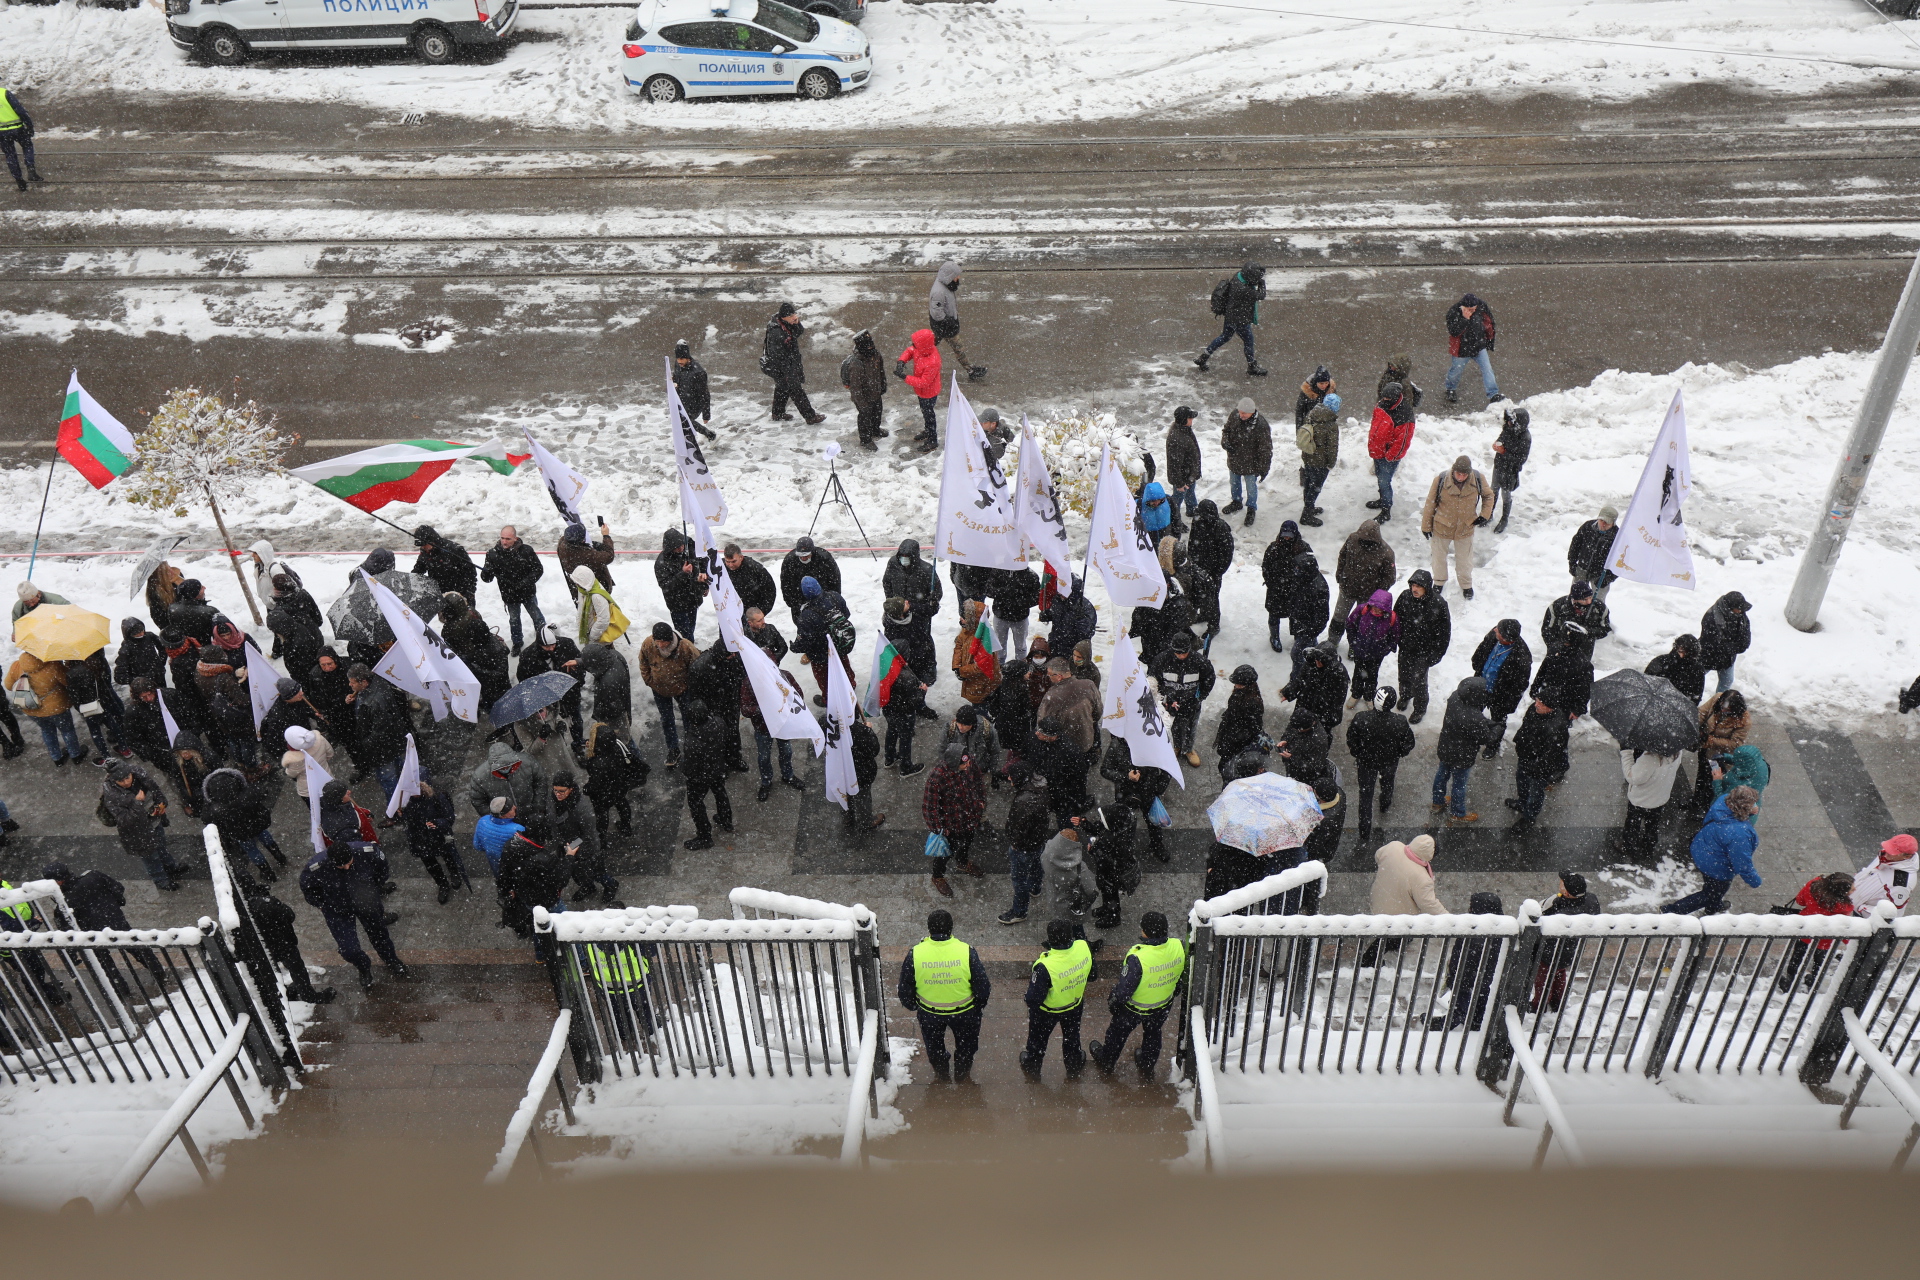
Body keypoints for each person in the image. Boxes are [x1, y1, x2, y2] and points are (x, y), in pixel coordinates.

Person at [300, 838, 410, 992]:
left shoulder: (367, 852)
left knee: (379, 935)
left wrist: (373, 890)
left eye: (349, 863)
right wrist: (322, 905)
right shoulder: (317, 867)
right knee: (348, 949)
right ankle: (363, 967)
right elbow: (308, 888)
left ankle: (391, 960)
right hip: (337, 908)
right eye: (340, 865)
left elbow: (382, 870)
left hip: (366, 902)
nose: (346, 868)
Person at [1089, 912, 1187, 1081]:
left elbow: (1124, 990)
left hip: (1133, 1009)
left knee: (1117, 1034)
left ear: (1145, 932)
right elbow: (1182, 974)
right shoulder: (1179, 945)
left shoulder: (1138, 956)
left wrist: (1114, 1002)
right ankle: (1147, 1063)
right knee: (1153, 1033)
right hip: (1163, 1005)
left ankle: (1107, 1060)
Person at [898, 908, 991, 1084]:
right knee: (966, 1048)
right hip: (965, 1013)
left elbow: (905, 988)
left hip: (929, 1013)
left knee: (935, 1048)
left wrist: (914, 1005)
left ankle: (942, 1075)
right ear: (951, 928)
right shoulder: (966, 951)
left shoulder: (915, 953)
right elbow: (983, 986)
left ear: (929, 928)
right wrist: (978, 1005)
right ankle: (962, 1075)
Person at [1664, 786, 1762, 914]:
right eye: (1752, 804)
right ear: (1744, 808)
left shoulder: (1722, 802)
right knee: (1711, 893)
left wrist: (1747, 810)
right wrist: (1754, 880)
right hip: (1717, 867)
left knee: (1713, 889)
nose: (1756, 806)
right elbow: (1741, 862)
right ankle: (1671, 911)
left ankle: (1713, 906)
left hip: (1703, 849)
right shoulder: (1739, 833)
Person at [1022, 920, 1094, 1079]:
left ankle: (1033, 1066)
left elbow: (1034, 1000)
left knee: (1038, 1041)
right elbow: (1093, 975)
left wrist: (1027, 997)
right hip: (1074, 1005)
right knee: (1072, 1037)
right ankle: (1074, 1064)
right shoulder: (1084, 946)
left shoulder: (1045, 965)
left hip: (1047, 1012)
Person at [100, 758, 184, 890]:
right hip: (138, 832)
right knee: (150, 857)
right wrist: (137, 803)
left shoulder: (139, 774)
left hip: (155, 821)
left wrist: (162, 803)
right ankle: (161, 880)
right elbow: (124, 820)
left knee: (161, 846)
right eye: (121, 781)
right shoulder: (111, 794)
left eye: (127, 777)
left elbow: (155, 789)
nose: (126, 782)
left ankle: (171, 867)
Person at [1346, 688, 1415, 846]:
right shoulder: (1400, 721)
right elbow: (1408, 743)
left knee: (1365, 796)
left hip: (1366, 763)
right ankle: (1385, 804)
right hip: (1389, 762)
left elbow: (1352, 740)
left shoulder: (1361, 718)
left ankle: (1364, 831)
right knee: (1387, 783)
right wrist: (1398, 753)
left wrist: (1359, 753)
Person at [1420, 455, 1494, 600]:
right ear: (1453, 470)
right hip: (1442, 526)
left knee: (1465, 560)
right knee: (1438, 558)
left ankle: (1466, 584)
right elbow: (1430, 502)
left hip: (1465, 527)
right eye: (1458, 474)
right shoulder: (1441, 479)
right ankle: (1439, 581)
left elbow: (1489, 496)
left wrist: (1484, 515)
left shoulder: (1478, 478)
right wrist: (1426, 526)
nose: (1461, 477)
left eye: (1464, 474)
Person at [922, 744, 986, 896]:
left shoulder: (969, 763)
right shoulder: (937, 777)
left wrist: (981, 801)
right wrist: (939, 829)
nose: (968, 765)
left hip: (970, 817)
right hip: (950, 824)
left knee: (967, 842)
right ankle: (937, 876)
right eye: (964, 764)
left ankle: (963, 863)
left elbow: (978, 781)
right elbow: (930, 807)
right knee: (944, 853)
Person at [1432, 677, 1496, 826]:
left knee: (1441, 775)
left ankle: (1437, 802)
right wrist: (1496, 728)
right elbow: (1486, 738)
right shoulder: (1474, 717)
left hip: (1446, 747)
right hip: (1462, 756)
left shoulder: (1455, 697)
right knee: (1459, 784)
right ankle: (1458, 813)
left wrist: (1484, 722)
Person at [1533, 871, 1600, 1011]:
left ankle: (1539, 1004)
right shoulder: (1590, 900)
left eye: (1562, 883)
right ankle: (1557, 1002)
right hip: (1569, 950)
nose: (1560, 883)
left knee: (1543, 979)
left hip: (1549, 951)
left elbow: (1542, 925)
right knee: (1559, 972)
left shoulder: (1563, 915)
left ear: (1568, 893)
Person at [1147, 630, 1214, 768]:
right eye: (1178, 653)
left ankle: (1188, 749)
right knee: (1173, 726)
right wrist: (1166, 696)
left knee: (1191, 726)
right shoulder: (1161, 660)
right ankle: (1176, 746)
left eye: (1184, 652)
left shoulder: (1199, 661)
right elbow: (1154, 679)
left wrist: (1200, 697)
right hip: (1169, 701)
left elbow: (1209, 678)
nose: (1181, 656)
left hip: (1191, 701)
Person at [6, 648, 85, 765]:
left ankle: (57, 758)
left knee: (47, 731)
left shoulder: (16, 665)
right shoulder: (52, 665)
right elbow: (68, 682)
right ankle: (76, 755)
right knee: (67, 731)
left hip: (32, 708)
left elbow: (8, 686)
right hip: (57, 708)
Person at [347, 664, 414, 800]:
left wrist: (365, 745)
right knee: (401, 768)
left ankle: (396, 807)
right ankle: (410, 792)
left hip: (383, 749)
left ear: (364, 682)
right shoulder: (375, 685)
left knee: (387, 779)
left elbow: (380, 731)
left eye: (353, 682)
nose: (350, 685)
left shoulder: (375, 702)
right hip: (393, 743)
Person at [638, 622, 699, 768]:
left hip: (682, 690)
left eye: (663, 641)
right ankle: (673, 749)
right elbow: (643, 662)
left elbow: (697, 666)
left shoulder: (685, 647)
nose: (660, 645)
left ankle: (690, 748)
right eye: (657, 641)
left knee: (688, 719)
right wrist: (649, 681)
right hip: (659, 690)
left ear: (670, 639)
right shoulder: (648, 644)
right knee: (667, 719)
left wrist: (689, 686)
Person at [1393, 569, 1450, 725]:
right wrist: (1394, 640)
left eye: (1419, 586)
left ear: (1427, 587)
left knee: (1419, 682)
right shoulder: (1405, 597)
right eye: (1413, 585)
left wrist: (1436, 654)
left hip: (1424, 652)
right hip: (1406, 647)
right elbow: (1395, 620)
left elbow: (1444, 633)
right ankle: (1405, 696)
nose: (1414, 589)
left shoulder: (1438, 604)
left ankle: (1420, 708)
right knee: (1404, 675)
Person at [1469, 619, 1533, 757]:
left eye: (1498, 630)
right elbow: (1481, 650)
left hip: (1500, 695)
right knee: (1474, 714)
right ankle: (1474, 738)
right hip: (1481, 686)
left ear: (1505, 638)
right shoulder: (1493, 635)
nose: (1494, 630)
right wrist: (1477, 664)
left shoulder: (1521, 656)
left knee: (1498, 722)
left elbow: (1520, 685)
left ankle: (1492, 745)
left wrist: (1508, 704)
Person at [1327, 518, 1395, 646]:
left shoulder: (1386, 553)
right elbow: (1343, 556)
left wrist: (1376, 595)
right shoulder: (1353, 539)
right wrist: (1340, 575)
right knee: (1339, 618)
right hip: (1348, 589)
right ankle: (1332, 642)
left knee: (1362, 623)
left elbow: (1389, 578)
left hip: (1367, 596)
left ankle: (1355, 646)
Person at [480, 525, 545, 656]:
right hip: (509, 595)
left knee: (536, 616)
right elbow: (486, 579)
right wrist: (487, 570)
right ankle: (517, 642)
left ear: (515, 538)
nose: (504, 542)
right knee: (514, 620)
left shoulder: (526, 551)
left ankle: (544, 637)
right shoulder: (493, 554)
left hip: (527, 592)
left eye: (508, 539)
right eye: (502, 538)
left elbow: (538, 569)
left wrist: (525, 582)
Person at [1194, 261, 1268, 376]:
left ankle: (1203, 357)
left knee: (1224, 337)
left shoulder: (1238, 277)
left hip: (1230, 315)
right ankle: (1252, 366)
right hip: (1240, 319)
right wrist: (1262, 284)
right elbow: (1261, 295)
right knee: (1249, 341)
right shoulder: (1244, 290)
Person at [398, 778, 466, 904]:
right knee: (430, 864)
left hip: (439, 835)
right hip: (420, 839)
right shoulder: (404, 802)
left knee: (448, 854)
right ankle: (442, 884)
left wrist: (437, 823)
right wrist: (402, 815)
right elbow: (408, 822)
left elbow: (449, 817)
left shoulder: (436, 797)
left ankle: (454, 873)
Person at [679, 698, 733, 851]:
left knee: (696, 803)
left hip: (701, 776)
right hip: (717, 767)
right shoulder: (719, 722)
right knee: (720, 791)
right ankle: (725, 819)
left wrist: (688, 774)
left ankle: (704, 836)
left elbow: (690, 765)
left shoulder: (693, 740)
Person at [582, 719, 647, 840]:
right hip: (619, 787)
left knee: (602, 815)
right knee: (622, 804)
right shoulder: (617, 747)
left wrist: (587, 789)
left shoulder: (597, 762)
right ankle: (626, 827)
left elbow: (595, 783)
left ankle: (602, 839)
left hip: (603, 795)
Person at [1507, 699, 1569, 827]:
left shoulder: (1557, 726)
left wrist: (1537, 768)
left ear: (1550, 708)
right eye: (1537, 701)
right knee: (1521, 781)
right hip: (1525, 756)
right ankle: (1522, 802)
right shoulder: (1534, 710)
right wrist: (1520, 742)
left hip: (1539, 766)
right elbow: (1525, 726)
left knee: (1536, 792)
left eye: (1541, 703)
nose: (1536, 704)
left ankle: (1529, 817)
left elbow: (1553, 754)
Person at [763, 301, 824, 424]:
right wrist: (788, 371)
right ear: (784, 317)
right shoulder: (777, 332)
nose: (794, 317)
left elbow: (798, 332)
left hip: (788, 363)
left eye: (794, 314)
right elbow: (777, 355)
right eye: (791, 316)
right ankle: (810, 417)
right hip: (782, 366)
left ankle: (777, 413)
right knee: (796, 390)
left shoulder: (785, 324)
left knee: (782, 387)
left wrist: (796, 323)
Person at [1366, 382, 1417, 522]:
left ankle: (1386, 510)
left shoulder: (1404, 414)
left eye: (1388, 399)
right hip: (1378, 452)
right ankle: (1382, 500)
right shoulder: (1382, 404)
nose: (1384, 400)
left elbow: (1403, 441)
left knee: (1384, 481)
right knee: (1380, 478)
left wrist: (1390, 457)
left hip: (1388, 457)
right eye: (1384, 398)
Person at [927, 258, 985, 381]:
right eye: (956, 276)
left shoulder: (946, 284)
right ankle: (971, 370)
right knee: (958, 348)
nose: (958, 278)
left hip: (943, 326)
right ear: (949, 276)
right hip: (944, 326)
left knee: (927, 345)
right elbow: (937, 312)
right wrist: (949, 321)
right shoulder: (939, 291)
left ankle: (907, 359)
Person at [1342, 589, 1400, 709]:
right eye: (1374, 606)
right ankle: (1356, 694)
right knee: (1358, 673)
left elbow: (1395, 637)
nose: (1376, 609)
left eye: (1379, 608)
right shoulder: (1362, 610)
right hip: (1360, 650)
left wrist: (1385, 650)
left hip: (1376, 654)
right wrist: (1354, 643)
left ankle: (1369, 696)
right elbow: (1350, 624)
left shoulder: (1391, 618)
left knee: (1372, 675)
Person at [1694, 690, 1750, 810]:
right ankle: (1696, 800)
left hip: (1718, 757)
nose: (1723, 710)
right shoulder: (1717, 699)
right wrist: (1696, 727)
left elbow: (1735, 744)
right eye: (1722, 707)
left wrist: (1710, 740)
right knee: (1701, 775)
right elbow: (1702, 713)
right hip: (1704, 749)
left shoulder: (1743, 721)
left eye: (1728, 709)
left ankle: (1705, 807)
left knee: (1712, 781)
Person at [1220, 398, 1272, 528]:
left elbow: (1266, 449)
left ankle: (1251, 508)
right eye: (1240, 412)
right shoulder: (1234, 415)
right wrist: (1225, 441)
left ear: (1252, 412)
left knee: (1251, 488)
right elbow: (1226, 430)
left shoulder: (1261, 425)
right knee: (1234, 483)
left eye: (1245, 413)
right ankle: (1236, 502)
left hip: (1251, 464)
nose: (1241, 415)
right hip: (1235, 460)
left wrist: (1264, 468)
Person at [1443, 292, 1501, 405]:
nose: (1473, 311)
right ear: (1463, 307)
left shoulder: (1481, 306)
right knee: (1456, 370)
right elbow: (1454, 332)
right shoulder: (1453, 312)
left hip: (1479, 346)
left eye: (1474, 309)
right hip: (1462, 349)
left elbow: (1489, 322)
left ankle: (1493, 393)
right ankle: (1450, 389)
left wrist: (1489, 340)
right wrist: (1465, 319)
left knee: (1487, 369)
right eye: (1470, 309)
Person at [1259, 521, 1307, 652]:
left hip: (1295, 590)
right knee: (1274, 613)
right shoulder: (1273, 548)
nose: (1286, 538)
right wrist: (1271, 581)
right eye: (1284, 535)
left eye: (1289, 535)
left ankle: (1298, 636)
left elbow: (1310, 567)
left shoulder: (1303, 549)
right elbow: (1266, 566)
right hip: (1276, 589)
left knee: (1296, 614)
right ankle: (1274, 636)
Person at [1031, 716, 1091, 819]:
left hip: (1062, 796)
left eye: (1041, 732)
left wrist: (1076, 802)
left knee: (1064, 820)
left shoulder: (1070, 752)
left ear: (1053, 737)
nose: (1037, 733)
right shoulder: (1040, 741)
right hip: (1050, 791)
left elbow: (1079, 779)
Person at [1213, 665, 1266, 780]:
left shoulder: (1253, 703)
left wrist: (1236, 737)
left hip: (1236, 743)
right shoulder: (1241, 694)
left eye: (1239, 684)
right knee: (1225, 767)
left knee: (1229, 770)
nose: (1236, 686)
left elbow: (1254, 727)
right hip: (1231, 737)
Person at [654, 529, 708, 641]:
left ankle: (689, 647)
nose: (681, 548)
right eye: (677, 546)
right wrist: (683, 573)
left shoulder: (690, 551)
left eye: (682, 545)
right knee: (685, 635)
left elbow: (702, 565)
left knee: (691, 628)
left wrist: (704, 585)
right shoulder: (662, 562)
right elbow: (666, 586)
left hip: (693, 598)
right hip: (677, 604)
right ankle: (688, 652)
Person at [1371, 833, 1445, 913]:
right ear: (1430, 856)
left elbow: (1378, 856)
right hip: (1396, 917)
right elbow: (1429, 905)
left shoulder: (1394, 846)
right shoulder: (1422, 878)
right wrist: (1449, 920)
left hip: (1377, 901)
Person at [895, 327, 942, 448]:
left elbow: (924, 382)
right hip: (922, 392)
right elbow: (910, 351)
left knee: (929, 415)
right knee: (925, 412)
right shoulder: (922, 349)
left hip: (929, 393)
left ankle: (932, 440)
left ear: (922, 345)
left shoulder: (932, 361)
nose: (913, 345)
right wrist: (901, 361)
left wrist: (905, 377)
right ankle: (928, 431)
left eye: (915, 343)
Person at [1541, 581, 1612, 661]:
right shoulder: (1557, 607)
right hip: (1559, 650)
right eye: (1585, 599)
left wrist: (1587, 632)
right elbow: (1547, 630)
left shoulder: (1599, 608)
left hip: (1584, 651)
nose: (1589, 602)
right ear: (1574, 599)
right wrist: (1557, 646)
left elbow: (1605, 628)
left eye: (1590, 597)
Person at [779, 536, 841, 626]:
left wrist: (833, 598)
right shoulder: (789, 561)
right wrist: (792, 603)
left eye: (806, 556)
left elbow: (834, 580)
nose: (803, 558)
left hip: (822, 598)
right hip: (799, 599)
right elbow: (785, 583)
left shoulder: (824, 558)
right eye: (801, 556)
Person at [1698, 591, 1752, 694]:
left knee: (1727, 681)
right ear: (1730, 607)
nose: (1741, 611)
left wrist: (1730, 648)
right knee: (1695, 678)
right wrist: (1732, 647)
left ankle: (1717, 704)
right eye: (1738, 608)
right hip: (1707, 656)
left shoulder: (1742, 617)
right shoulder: (1711, 617)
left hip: (1727, 659)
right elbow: (1712, 643)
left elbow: (1745, 642)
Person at [1297, 397, 1339, 527]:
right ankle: (1307, 515)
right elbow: (1332, 447)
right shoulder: (1331, 425)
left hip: (1308, 456)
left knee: (1309, 483)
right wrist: (1331, 464)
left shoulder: (1312, 415)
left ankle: (1309, 507)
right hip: (1320, 462)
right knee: (1315, 488)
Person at [410, 524, 478, 604]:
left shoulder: (454, 550)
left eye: (425, 545)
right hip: (441, 597)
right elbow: (418, 570)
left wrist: (467, 593)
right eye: (421, 546)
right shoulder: (425, 553)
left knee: (466, 616)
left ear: (433, 541)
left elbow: (470, 572)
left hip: (460, 595)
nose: (423, 548)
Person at [1853, 833, 1919, 916]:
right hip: (1852, 901)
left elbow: (1893, 914)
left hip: (1859, 915)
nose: (1886, 852)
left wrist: (1860, 909)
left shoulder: (1901, 884)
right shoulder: (1889, 857)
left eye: (1892, 851)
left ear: (1907, 856)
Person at [1566, 505, 1620, 602]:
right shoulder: (1587, 527)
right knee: (1576, 597)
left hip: (1601, 574)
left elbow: (1621, 561)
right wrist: (1572, 562)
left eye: (1607, 523)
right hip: (1582, 569)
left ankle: (1595, 616)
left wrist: (1609, 578)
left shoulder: (1618, 537)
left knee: (1597, 602)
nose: (1603, 524)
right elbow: (1575, 544)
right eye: (1601, 520)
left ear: (1613, 523)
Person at [1490, 406, 1531, 532]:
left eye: (1511, 422)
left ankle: (1504, 518)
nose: (1508, 424)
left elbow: (1520, 459)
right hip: (1499, 465)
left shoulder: (1525, 438)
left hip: (1510, 470)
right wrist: (1497, 443)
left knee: (1505, 494)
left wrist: (1504, 452)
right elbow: (1501, 438)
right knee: (1493, 490)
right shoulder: (1508, 429)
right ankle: (1488, 513)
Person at [988, 565, 1040, 661]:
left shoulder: (1030, 575)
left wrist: (1020, 602)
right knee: (999, 646)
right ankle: (999, 669)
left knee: (1021, 646)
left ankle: (1020, 669)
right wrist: (1004, 593)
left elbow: (1037, 597)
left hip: (1020, 617)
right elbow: (989, 590)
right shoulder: (998, 571)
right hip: (1000, 615)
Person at [558, 517, 617, 599]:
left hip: (577, 587)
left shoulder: (562, 544)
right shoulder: (588, 555)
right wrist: (606, 536)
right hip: (594, 590)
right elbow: (609, 556)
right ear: (582, 541)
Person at [0, 86, 44, 193]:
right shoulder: (4, 93)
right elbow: (20, 110)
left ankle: (19, 181)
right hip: (18, 128)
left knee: (10, 155)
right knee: (27, 145)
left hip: (1, 132)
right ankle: (31, 170)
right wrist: (29, 125)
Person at [1165, 405, 1203, 526]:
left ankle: (1192, 510)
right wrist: (1179, 483)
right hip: (1183, 477)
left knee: (1190, 493)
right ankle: (1174, 520)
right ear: (1183, 420)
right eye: (1190, 418)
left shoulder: (1185, 430)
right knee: (1177, 499)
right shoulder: (1177, 438)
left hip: (1189, 474)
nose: (1192, 420)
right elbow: (1174, 464)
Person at [672, 338, 716, 439]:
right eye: (678, 359)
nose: (679, 361)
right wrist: (674, 380)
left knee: (686, 421)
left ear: (688, 357)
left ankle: (711, 435)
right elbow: (677, 376)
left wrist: (706, 415)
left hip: (696, 402)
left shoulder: (699, 373)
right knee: (681, 421)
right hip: (683, 398)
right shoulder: (678, 364)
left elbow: (705, 394)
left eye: (682, 359)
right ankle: (685, 441)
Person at [1646, 633, 1706, 704]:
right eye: (1680, 650)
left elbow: (1696, 696)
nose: (1681, 654)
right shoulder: (1661, 661)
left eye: (1685, 652)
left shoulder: (1697, 670)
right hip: (1657, 701)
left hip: (1677, 704)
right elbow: (1647, 681)